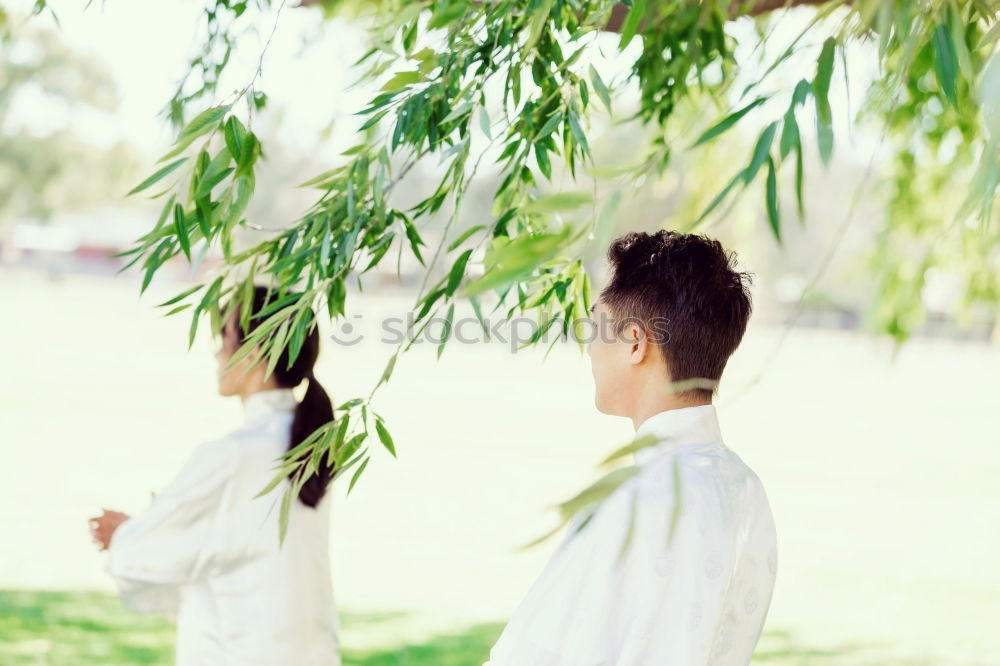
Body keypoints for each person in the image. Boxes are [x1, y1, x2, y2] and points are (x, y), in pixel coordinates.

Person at [486, 231, 778, 666]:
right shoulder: (743, 488)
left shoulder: (634, 496)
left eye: (596, 323)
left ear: (636, 343)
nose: (588, 346)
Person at [88, 286, 341, 666]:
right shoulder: (310, 443)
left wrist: (125, 533)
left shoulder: (233, 455)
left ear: (253, 351)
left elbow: (146, 555)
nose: (217, 354)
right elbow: (238, 542)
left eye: (224, 339)